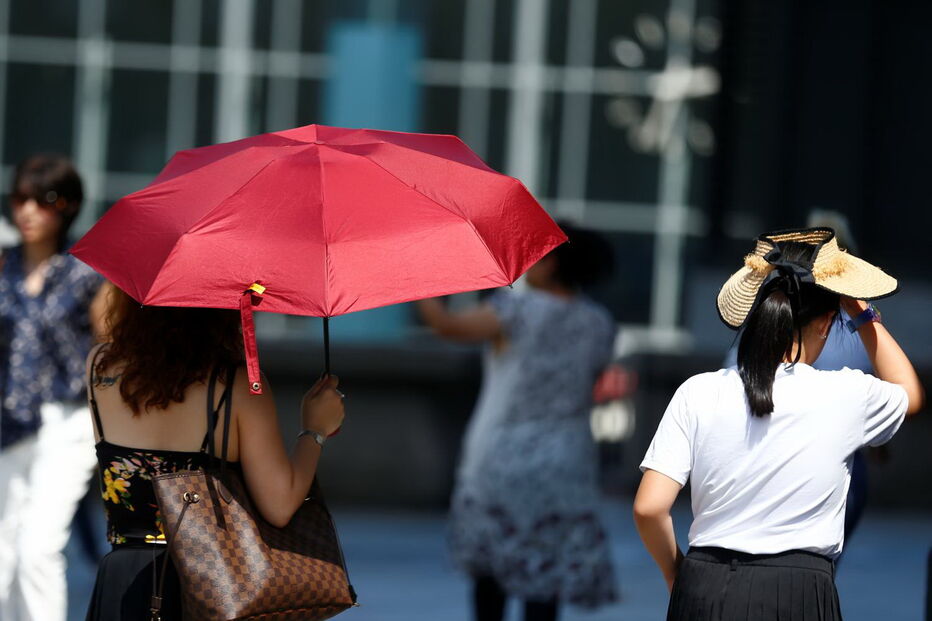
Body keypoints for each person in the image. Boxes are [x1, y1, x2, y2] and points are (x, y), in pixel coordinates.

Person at [635, 227, 923, 620]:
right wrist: (859, 310)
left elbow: (650, 508)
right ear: (825, 323)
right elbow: (909, 391)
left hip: (704, 584)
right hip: (797, 588)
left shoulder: (698, 391)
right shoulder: (845, 394)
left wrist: (676, 574)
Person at [84, 287, 346, 620]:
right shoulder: (237, 386)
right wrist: (315, 431)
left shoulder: (99, 368)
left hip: (121, 581)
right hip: (208, 582)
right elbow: (280, 505)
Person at [417, 223, 618, 621]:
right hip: (567, 460)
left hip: (504, 455)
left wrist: (423, 280)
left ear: (553, 262)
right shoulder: (599, 322)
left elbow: (447, 326)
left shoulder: (517, 310)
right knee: (546, 575)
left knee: (492, 572)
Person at [0, 154, 108, 621]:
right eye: (19, 199)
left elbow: (111, 346)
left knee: (37, 550)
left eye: (42, 200)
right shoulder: (3, 269)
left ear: (67, 206)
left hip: (67, 422)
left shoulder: (86, 271)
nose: (27, 211)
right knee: (3, 555)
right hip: (8, 422)